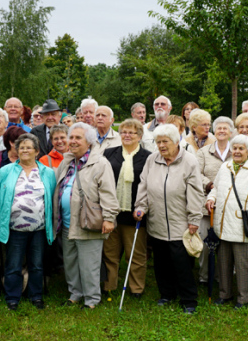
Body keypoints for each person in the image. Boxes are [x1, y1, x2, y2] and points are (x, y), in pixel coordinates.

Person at [134, 124, 204, 314]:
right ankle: (166, 294)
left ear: (176, 141)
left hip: (180, 222)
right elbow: (143, 185)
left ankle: (189, 299)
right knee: (161, 262)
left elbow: (196, 192)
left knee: (181, 263)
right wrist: (140, 206)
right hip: (157, 221)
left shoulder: (189, 161)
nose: (161, 146)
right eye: (158, 142)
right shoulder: (152, 159)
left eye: (165, 141)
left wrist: (194, 218)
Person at [53, 123, 118, 309]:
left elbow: (108, 193)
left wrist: (109, 218)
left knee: (89, 264)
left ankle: (91, 299)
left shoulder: (100, 163)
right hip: (66, 223)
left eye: (77, 138)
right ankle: (75, 293)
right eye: (71, 137)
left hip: (88, 222)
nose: (72, 141)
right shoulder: (67, 162)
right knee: (71, 261)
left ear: (89, 142)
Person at [205, 134, 248, 308]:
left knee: (243, 265)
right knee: (224, 263)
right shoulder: (225, 166)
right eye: (235, 148)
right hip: (223, 224)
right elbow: (216, 188)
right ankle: (225, 294)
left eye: (241, 148)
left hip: (243, 226)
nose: (237, 151)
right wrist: (211, 198)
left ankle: (243, 298)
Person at [0, 133, 55, 311]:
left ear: (37, 151)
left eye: (29, 147)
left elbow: (50, 196)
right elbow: (0, 194)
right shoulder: (6, 171)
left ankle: (36, 296)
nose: (24, 150)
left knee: (36, 264)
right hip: (15, 227)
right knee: (13, 264)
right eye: (21, 147)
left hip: (39, 227)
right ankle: (12, 297)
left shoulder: (47, 172)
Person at [102, 119, 152, 299]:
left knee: (136, 255)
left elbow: (149, 186)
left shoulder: (148, 157)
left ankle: (136, 288)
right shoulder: (108, 153)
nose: (127, 135)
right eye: (124, 132)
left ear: (139, 136)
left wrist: (141, 207)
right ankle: (109, 285)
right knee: (110, 253)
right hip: (112, 214)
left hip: (135, 214)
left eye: (132, 132)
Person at [195, 116, 234, 284]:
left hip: (229, 205)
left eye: (225, 128)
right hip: (207, 206)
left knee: (224, 246)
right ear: (214, 131)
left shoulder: (237, 151)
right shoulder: (204, 152)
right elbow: (196, 174)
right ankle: (205, 277)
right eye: (219, 128)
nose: (222, 131)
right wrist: (210, 185)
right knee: (205, 243)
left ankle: (222, 277)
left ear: (231, 132)